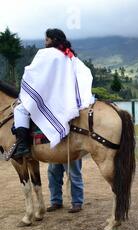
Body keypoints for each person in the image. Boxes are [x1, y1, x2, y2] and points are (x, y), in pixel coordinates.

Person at [12, 28, 93, 159]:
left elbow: (32, 74)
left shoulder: (46, 54)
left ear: (53, 40)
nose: (45, 42)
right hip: (68, 100)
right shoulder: (70, 56)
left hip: (51, 98)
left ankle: (23, 145)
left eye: (47, 39)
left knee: (20, 110)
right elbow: (84, 73)